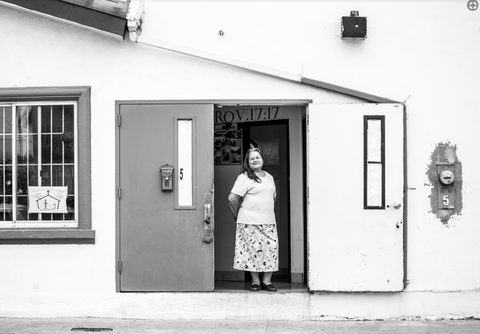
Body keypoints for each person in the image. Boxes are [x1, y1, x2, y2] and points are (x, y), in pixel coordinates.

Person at [228, 147, 278, 292]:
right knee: (252, 251)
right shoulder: (244, 177)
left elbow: (273, 197)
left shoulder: (269, 177)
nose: (255, 160)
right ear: (248, 162)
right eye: (252, 158)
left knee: (271, 249)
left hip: (268, 221)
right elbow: (232, 199)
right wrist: (237, 217)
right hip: (248, 221)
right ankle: (255, 281)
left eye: (258, 157)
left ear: (262, 159)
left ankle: (267, 281)